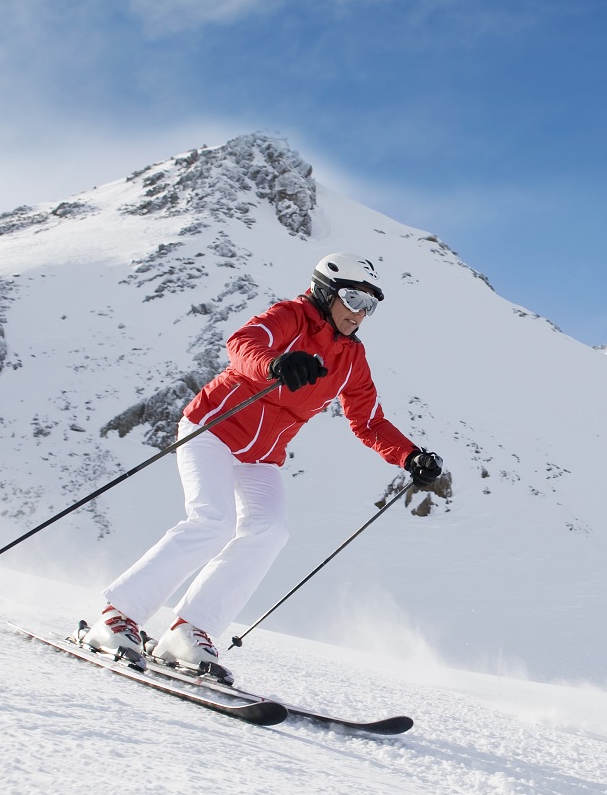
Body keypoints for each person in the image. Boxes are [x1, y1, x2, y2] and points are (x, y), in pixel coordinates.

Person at [78, 253, 444, 684]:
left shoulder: (351, 358)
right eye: (351, 297)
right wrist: (274, 364)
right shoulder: (290, 316)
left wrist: (409, 455)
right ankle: (116, 618)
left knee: (270, 531)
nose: (359, 312)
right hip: (211, 430)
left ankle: (189, 631)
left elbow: (367, 421)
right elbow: (242, 343)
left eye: (369, 305)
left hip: (261, 457)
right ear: (325, 292)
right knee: (213, 522)